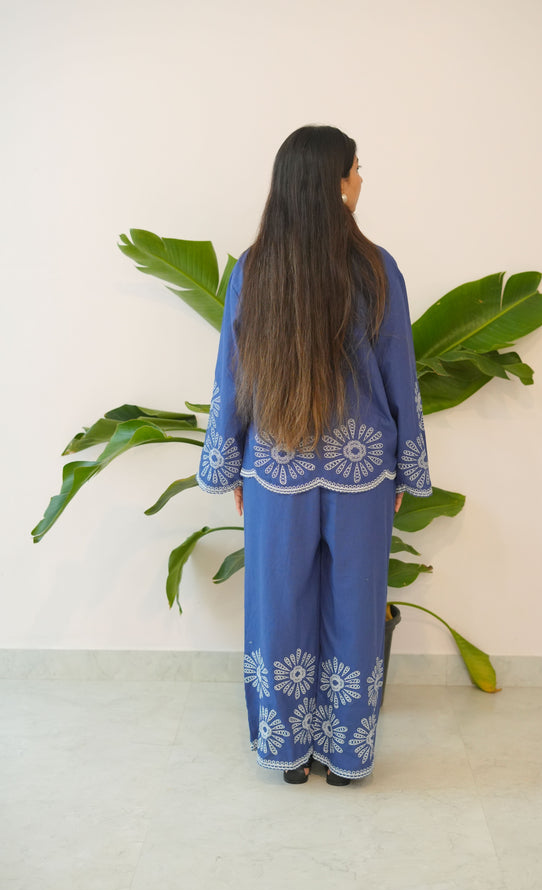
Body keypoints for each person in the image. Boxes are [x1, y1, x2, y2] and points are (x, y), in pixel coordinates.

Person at [197, 125, 432, 786]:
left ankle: (289, 754)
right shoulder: (377, 268)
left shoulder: (255, 268)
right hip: (363, 469)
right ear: (336, 182)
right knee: (356, 607)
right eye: (356, 168)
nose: (361, 179)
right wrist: (405, 466)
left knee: (278, 608)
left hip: (278, 468)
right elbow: (399, 374)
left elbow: (233, 376)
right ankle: (346, 758)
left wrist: (231, 463)